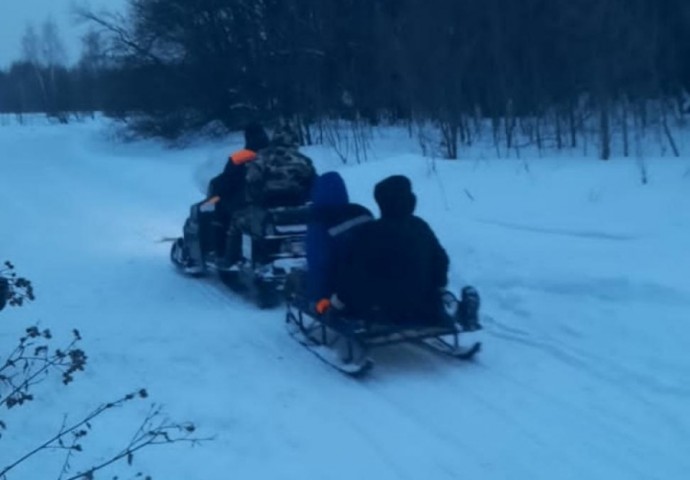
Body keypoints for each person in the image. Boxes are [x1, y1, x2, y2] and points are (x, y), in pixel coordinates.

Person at [333, 175, 481, 329]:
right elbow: (441, 260)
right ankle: (450, 307)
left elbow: (354, 273)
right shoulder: (420, 226)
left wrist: (338, 301)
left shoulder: (370, 232)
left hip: (383, 309)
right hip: (422, 305)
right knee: (427, 295)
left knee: (365, 293)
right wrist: (439, 286)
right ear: (411, 200)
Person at [180, 123, 270, 271]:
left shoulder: (240, 158)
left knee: (218, 213)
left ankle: (223, 254)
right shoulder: (275, 156)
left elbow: (226, 182)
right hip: (272, 202)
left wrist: (215, 190)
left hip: (246, 203)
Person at [304, 172, 374, 314]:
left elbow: (318, 264)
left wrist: (318, 298)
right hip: (373, 281)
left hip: (340, 290)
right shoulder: (362, 212)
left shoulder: (319, 223)